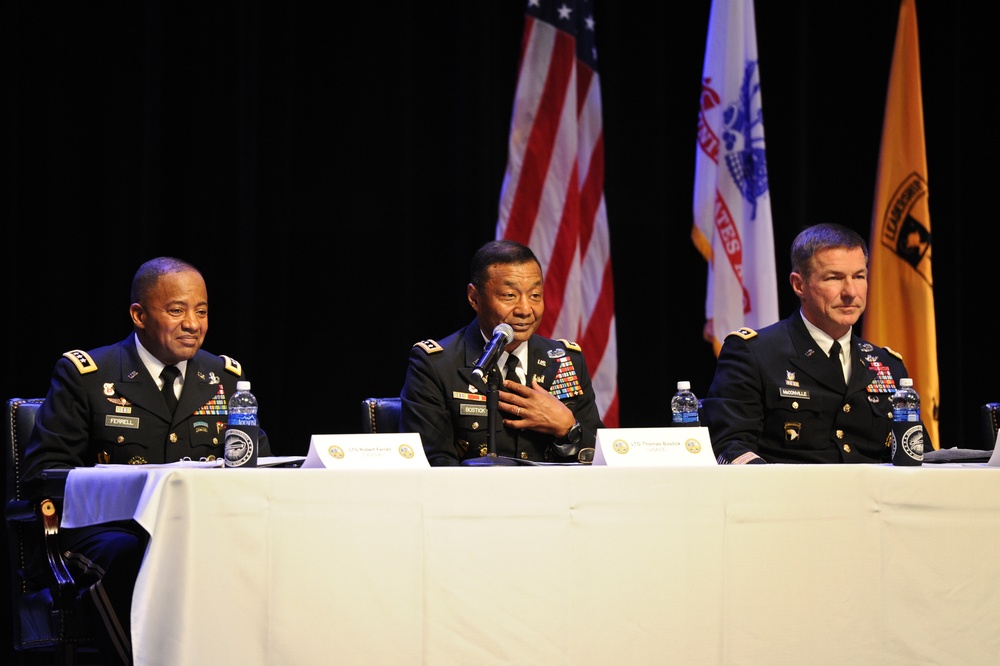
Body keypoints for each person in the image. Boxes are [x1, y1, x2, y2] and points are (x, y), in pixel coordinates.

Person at [22, 256, 270, 664]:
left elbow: (259, 464)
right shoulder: (87, 374)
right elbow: (42, 476)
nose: (193, 323)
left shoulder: (224, 378)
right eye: (177, 310)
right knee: (139, 553)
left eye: (202, 311)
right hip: (105, 530)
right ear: (139, 315)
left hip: (201, 527)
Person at [702, 223, 929, 464]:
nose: (851, 291)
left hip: (878, 499)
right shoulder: (753, 353)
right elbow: (728, 445)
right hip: (790, 497)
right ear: (799, 285)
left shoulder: (887, 364)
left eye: (859, 276)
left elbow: (918, 452)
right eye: (834, 278)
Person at [400, 239, 604, 465]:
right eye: (509, 295)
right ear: (474, 298)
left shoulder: (566, 360)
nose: (526, 310)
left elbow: (599, 457)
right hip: (473, 498)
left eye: (535, 295)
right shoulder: (436, 365)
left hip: (553, 497)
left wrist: (568, 429)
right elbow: (432, 463)